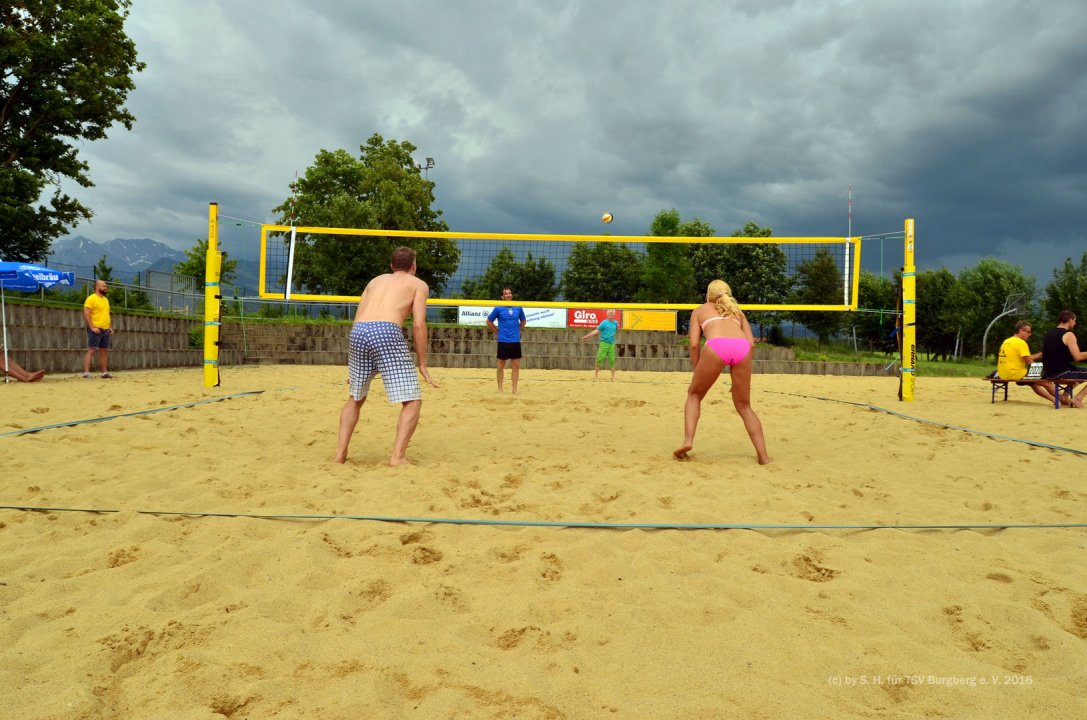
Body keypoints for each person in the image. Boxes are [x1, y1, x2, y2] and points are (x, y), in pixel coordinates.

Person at [334, 246, 438, 466]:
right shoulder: (418, 284)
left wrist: (351, 366)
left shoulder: (375, 281)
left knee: (355, 397)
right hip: (386, 330)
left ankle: (339, 455)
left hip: (359, 331)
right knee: (412, 400)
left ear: (391, 266)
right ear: (414, 266)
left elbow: (358, 316)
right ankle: (398, 457)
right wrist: (423, 363)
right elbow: (419, 324)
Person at [674, 279, 769, 464]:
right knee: (744, 406)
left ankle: (688, 441)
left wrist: (698, 368)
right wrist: (738, 376)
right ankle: (763, 456)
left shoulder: (700, 310)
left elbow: (694, 345)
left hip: (716, 346)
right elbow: (750, 344)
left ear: (707, 295)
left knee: (694, 394)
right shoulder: (738, 312)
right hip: (742, 348)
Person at [996, 321, 1056, 404]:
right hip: (1016, 374)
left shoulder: (1006, 341)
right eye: (1028, 332)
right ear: (1021, 331)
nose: (1030, 334)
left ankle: (1054, 400)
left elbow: (1026, 357)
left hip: (1003, 373)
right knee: (1047, 381)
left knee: (1034, 383)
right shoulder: (1021, 343)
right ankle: (1061, 399)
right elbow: (1029, 361)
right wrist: (1043, 370)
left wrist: (1041, 354)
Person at [1041, 310, 1087, 409]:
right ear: (1070, 319)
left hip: (1048, 373)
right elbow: (1078, 357)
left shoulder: (1048, 334)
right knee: (1077, 371)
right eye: (1074, 320)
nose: (1075, 323)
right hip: (1062, 372)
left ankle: (1066, 395)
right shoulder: (1069, 335)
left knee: (1078, 371)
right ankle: (1078, 398)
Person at [486, 287, 526, 393]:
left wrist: (519, 330)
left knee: (516, 365)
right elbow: (489, 321)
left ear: (511, 295)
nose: (508, 295)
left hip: (515, 341)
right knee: (500, 365)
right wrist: (497, 331)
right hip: (503, 341)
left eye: (510, 293)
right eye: (506, 294)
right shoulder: (498, 308)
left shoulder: (518, 307)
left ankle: (514, 389)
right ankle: (500, 389)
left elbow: (523, 320)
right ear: (502, 297)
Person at [82, 279, 114, 379]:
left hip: (105, 329)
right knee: (91, 350)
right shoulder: (91, 299)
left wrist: (110, 327)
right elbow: (86, 314)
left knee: (104, 351)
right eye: (104, 286)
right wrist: (92, 327)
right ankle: (86, 372)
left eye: (106, 286)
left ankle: (104, 372)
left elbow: (107, 314)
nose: (106, 288)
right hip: (96, 329)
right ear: (97, 287)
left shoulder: (106, 300)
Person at [580, 309, 619, 381]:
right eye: (609, 313)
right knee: (599, 358)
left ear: (614, 315)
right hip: (604, 343)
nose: (611, 314)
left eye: (612, 313)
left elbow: (615, 330)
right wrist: (587, 336)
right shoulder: (604, 323)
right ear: (607, 314)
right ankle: (596, 375)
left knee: (612, 360)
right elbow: (597, 331)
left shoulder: (616, 323)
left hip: (611, 344)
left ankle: (613, 377)